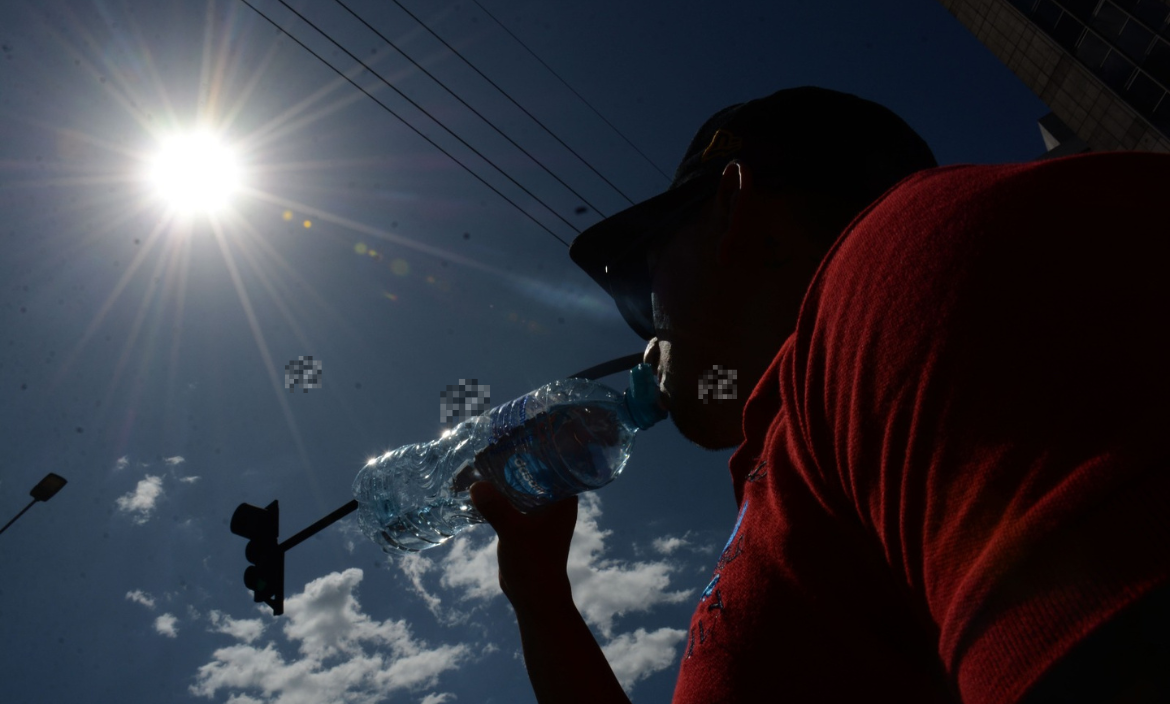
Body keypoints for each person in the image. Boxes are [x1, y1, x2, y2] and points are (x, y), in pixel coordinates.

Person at [469, 86, 1170, 703]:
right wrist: (539, 594)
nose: (649, 321)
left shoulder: (913, 268)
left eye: (645, 279)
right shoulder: (798, 458)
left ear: (736, 212)